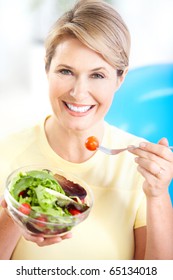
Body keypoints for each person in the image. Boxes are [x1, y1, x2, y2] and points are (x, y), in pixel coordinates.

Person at [0, 0, 173, 260]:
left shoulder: (139, 167)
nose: (79, 93)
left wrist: (158, 195)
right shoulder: (7, 154)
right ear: (47, 70)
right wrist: (18, 213)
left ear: (120, 78)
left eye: (98, 75)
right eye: (66, 71)